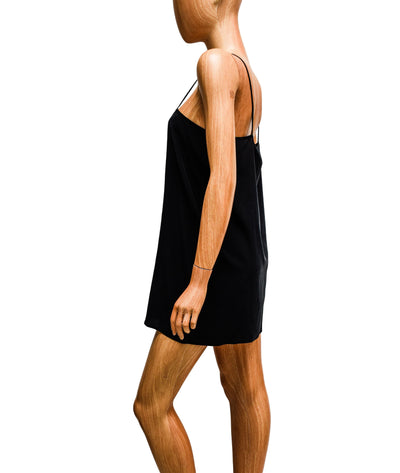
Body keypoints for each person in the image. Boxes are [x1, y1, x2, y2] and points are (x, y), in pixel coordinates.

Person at [134, 1, 271, 471]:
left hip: (213, 264)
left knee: (151, 404)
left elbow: (224, 179)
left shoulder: (215, 65)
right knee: (243, 386)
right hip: (241, 253)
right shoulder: (245, 71)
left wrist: (197, 281)